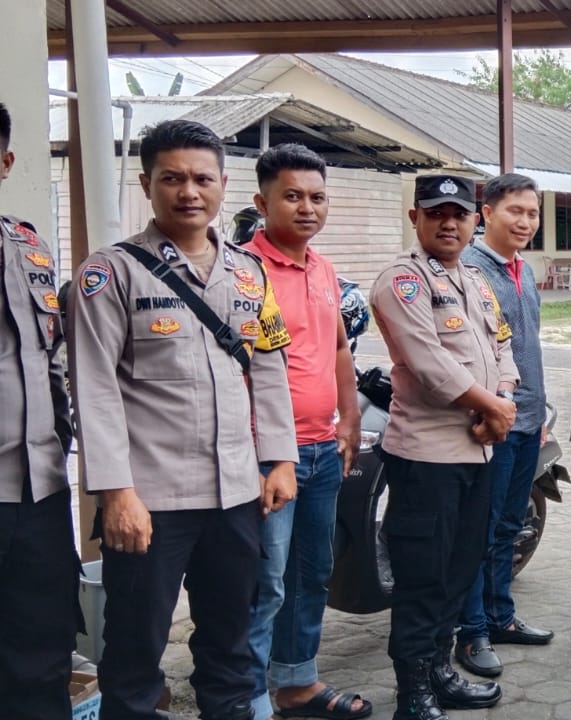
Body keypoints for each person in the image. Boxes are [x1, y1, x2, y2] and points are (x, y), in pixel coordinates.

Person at [70, 119, 298, 720]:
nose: (188, 192)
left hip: (235, 495)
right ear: (147, 184)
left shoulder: (249, 274)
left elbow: (269, 368)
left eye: (202, 178)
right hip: (151, 502)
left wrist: (279, 459)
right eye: (172, 178)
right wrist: (116, 493)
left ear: (223, 184)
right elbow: (93, 390)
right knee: (136, 654)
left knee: (229, 647)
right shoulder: (111, 273)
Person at [370, 174, 518, 719]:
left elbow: (502, 346)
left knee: (460, 570)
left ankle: (438, 670)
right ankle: (413, 691)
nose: (449, 223)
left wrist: (499, 401)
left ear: (474, 219)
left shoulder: (475, 282)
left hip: (478, 450)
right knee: (422, 577)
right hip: (426, 459)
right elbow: (428, 364)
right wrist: (493, 409)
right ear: (416, 218)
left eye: (459, 213)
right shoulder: (402, 282)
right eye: (436, 213)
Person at [239, 144, 369, 720]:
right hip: (268, 457)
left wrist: (350, 417)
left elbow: (340, 347)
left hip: (322, 447)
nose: (307, 208)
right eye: (292, 196)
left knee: (313, 572)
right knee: (264, 581)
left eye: (317, 197)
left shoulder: (323, 267)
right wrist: (270, 453)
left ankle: (296, 684)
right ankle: (245, 698)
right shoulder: (243, 271)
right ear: (261, 201)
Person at [453, 173, 554, 679]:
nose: (525, 221)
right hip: (488, 422)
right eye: (515, 210)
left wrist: (538, 414)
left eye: (532, 213)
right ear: (486, 212)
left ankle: (500, 615)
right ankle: (469, 632)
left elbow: (526, 347)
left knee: (509, 527)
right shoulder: (467, 269)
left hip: (527, 419)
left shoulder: (525, 270)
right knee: (479, 529)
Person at [0, 101, 80, 720]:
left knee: (43, 642)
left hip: (40, 489)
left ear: (5, 163)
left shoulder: (28, 244)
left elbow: (53, 357)